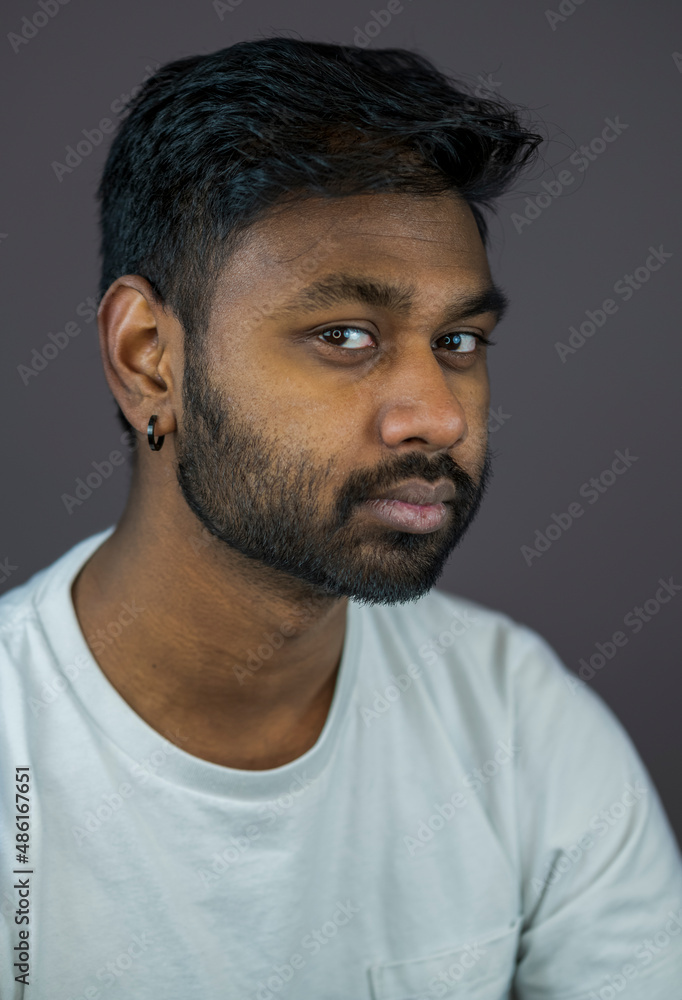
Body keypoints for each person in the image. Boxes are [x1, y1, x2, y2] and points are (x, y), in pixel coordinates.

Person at [1, 36, 680, 1000]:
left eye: (458, 340)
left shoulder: (519, 723)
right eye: (345, 336)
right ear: (150, 357)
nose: (438, 414)